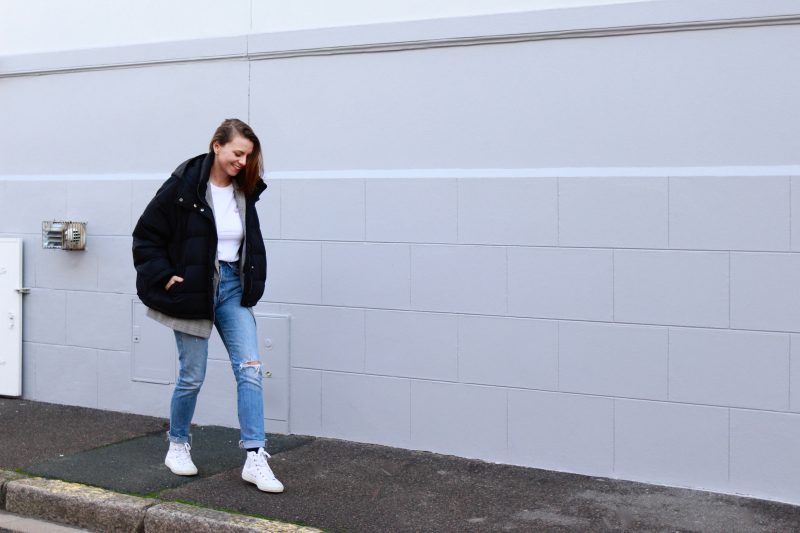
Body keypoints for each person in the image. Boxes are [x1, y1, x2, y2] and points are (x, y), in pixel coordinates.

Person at [132, 118, 283, 493]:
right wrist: (165, 275)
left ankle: (255, 456)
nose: (243, 162)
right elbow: (146, 235)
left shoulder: (244, 190)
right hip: (195, 290)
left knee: (250, 369)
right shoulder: (183, 187)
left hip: (232, 288)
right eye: (237, 153)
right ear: (217, 146)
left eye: (247, 156)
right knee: (192, 375)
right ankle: (178, 443)